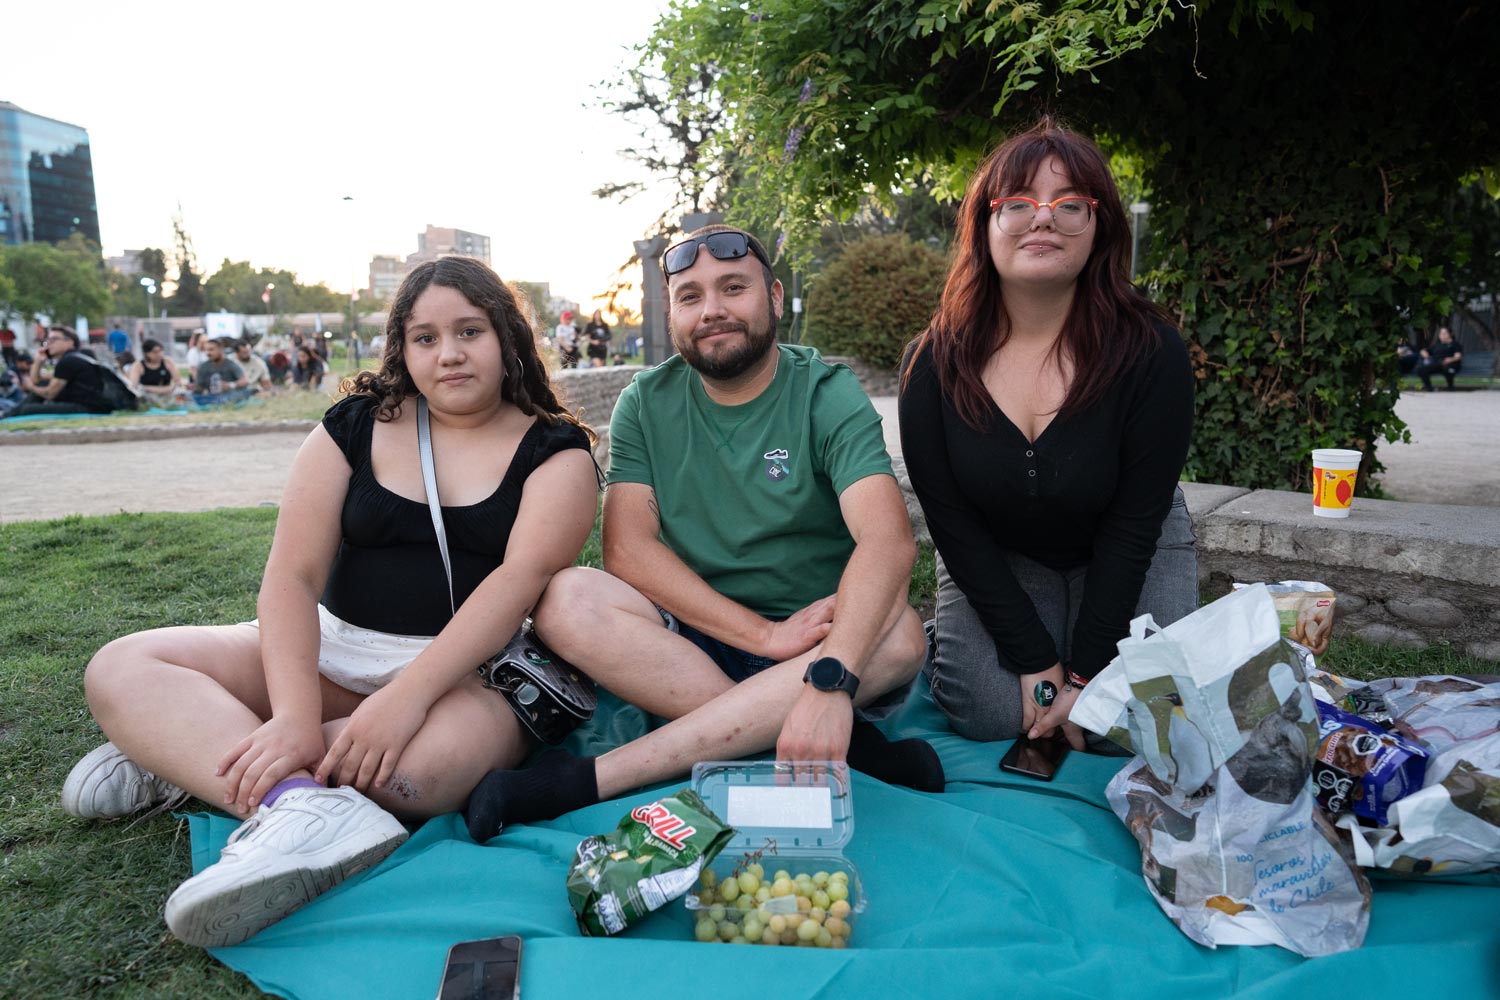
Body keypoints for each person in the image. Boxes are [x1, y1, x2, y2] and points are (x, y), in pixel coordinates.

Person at [62, 255, 598, 948]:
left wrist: (403, 701)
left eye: (470, 331)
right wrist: (291, 716)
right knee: (123, 666)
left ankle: (186, 753)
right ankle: (294, 801)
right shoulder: (353, 425)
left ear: (508, 336)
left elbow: (515, 585)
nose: (449, 353)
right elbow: (292, 576)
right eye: (426, 337)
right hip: (333, 650)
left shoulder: (558, 454)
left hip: (469, 676)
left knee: (419, 775)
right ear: (402, 348)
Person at [463, 225, 940, 842]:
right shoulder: (645, 401)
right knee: (566, 599)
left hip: (820, 634)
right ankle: (835, 743)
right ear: (672, 314)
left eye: (733, 288)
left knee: (901, 636)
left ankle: (588, 779)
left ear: (773, 297)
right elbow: (627, 549)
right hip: (693, 639)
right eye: (690, 296)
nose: (711, 309)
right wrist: (762, 636)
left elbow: (887, 541)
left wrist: (831, 675)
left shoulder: (826, 390)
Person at [898, 118, 1198, 749]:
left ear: (1099, 227)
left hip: (1125, 542)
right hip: (1001, 548)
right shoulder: (932, 363)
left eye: (1069, 204)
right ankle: (968, 637)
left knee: (1134, 724)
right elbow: (952, 523)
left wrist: (1086, 677)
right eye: (1017, 204)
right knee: (988, 715)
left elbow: (1133, 524)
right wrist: (1036, 660)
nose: (1043, 219)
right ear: (984, 226)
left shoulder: (1152, 352)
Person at [1, 326, 116, 418]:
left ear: (69, 342)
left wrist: (31, 387)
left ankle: (6, 416)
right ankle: (7, 414)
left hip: (86, 408)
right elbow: (38, 380)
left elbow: (50, 394)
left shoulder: (69, 361)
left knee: (27, 410)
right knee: (42, 385)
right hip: (95, 406)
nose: (48, 343)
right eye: (47, 340)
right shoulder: (78, 356)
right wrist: (38, 361)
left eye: (53, 340)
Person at [192, 337, 250, 405]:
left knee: (245, 391)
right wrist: (194, 388)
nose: (208, 353)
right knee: (194, 396)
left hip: (230, 394)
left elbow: (245, 381)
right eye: (206, 350)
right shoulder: (203, 367)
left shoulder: (231, 364)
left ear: (221, 350)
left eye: (211, 349)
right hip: (211, 396)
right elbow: (199, 387)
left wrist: (230, 385)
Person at [128, 339, 184, 405]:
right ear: (147, 353)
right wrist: (154, 389)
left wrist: (167, 389)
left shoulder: (168, 362)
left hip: (168, 393)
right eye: (155, 352)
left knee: (181, 392)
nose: (159, 354)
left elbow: (178, 382)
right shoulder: (138, 365)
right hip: (148, 395)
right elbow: (133, 386)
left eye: (160, 351)